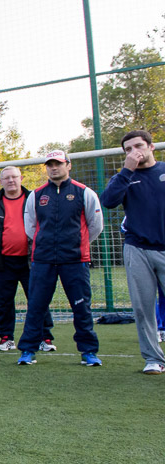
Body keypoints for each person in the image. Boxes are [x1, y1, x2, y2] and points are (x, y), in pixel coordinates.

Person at [17, 149, 104, 366]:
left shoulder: (85, 193)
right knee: (36, 306)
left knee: (81, 307)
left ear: (68, 165)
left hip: (75, 260)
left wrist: (76, 244)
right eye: (50, 165)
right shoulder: (36, 195)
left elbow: (95, 226)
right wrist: (46, 244)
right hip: (43, 260)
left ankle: (88, 351)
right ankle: (28, 350)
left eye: (58, 163)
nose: (54, 168)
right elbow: (30, 227)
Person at [100, 130, 165, 374]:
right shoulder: (123, 177)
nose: (134, 152)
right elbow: (108, 201)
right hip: (137, 248)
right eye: (128, 149)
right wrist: (127, 170)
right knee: (142, 307)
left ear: (151, 147)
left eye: (138, 146)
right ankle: (153, 359)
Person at [0, 166, 56, 352]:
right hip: (4, 262)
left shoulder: (35, 200)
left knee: (37, 299)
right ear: (1, 181)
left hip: (32, 261)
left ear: (21, 178)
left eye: (14, 177)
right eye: (6, 178)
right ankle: (6, 338)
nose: (11, 181)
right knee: (4, 302)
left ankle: (44, 338)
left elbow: (46, 225)